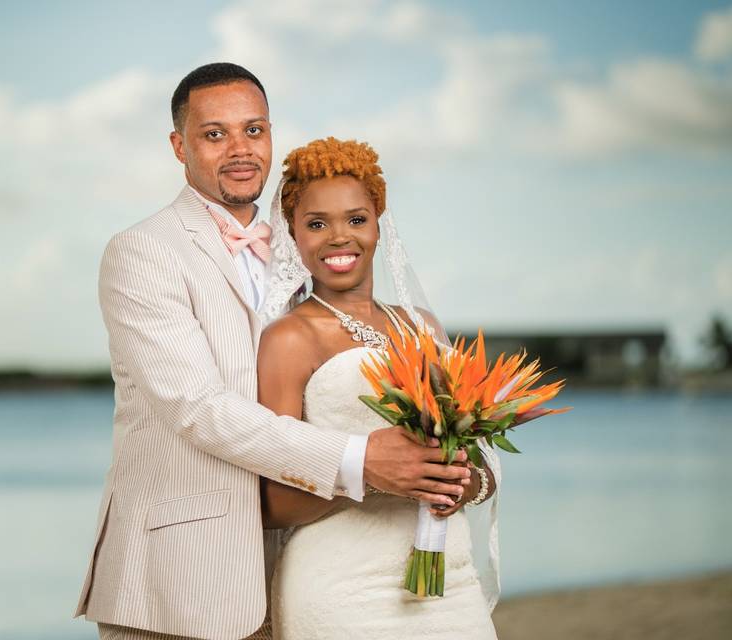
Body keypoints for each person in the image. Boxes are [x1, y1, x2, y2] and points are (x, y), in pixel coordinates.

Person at [72, 63, 471, 640]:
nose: (240, 149)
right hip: (183, 577)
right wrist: (364, 461)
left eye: (254, 130)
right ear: (178, 145)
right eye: (215, 134)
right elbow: (197, 406)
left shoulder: (303, 249)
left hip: (298, 574)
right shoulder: (143, 251)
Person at [257, 137, 500, 639]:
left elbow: (478, 468)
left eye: (357, 219)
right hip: (344, 590)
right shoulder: (288, 338)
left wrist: (459, 482)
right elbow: (273, 503)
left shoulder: (423, 325)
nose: (339, 237)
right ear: (293, 235)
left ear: (379, 224)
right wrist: (375, 474)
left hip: (450, 585)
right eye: (317, 223)